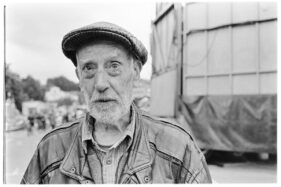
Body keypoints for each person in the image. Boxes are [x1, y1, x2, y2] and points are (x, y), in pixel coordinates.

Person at [21, 22, 212, 184]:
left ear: (135, 71)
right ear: (79, 77)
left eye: (114, 66)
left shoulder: (178, 146)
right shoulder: (49, 149)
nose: (101, 84)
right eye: (89, 68)